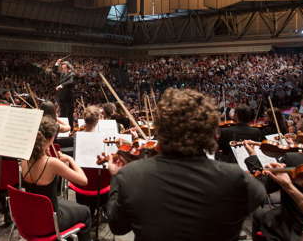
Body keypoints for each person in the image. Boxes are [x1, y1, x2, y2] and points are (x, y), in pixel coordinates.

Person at [107, 88, 266, 241]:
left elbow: (118, 227)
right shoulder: (236, 178)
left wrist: (115, 177)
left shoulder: (131, 175)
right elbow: (260, 195)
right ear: (213, 133)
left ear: (161, 130)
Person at [243, 115, 303, 241]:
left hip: (297, 225)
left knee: (260, 214)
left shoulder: (295, 159)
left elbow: (263, 187)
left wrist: (253, 156)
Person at [22, 116, 92, 241]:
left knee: (64, 203)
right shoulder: (52, 163)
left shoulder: (24, 158)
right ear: (51, 138)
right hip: (51, 221)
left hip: (31, 216)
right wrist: (70, 159)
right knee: (86, 211)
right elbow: (83, 180)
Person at [54, 59, 75, 129]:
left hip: (68, 98)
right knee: (62, 114)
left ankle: (71, 129)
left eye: (64, 67)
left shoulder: (71, 74)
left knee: (69, 115)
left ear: (68, 67)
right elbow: (54, 71)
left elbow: (71, 81)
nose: (62, 69)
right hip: (62, 97)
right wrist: (57, 63)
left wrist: (61, 85)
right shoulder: (62, 74)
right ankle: (63, 129)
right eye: (62, 67)